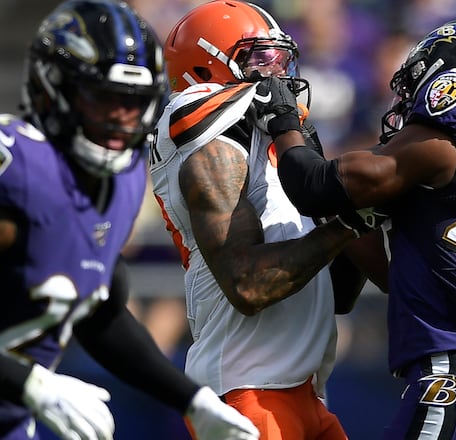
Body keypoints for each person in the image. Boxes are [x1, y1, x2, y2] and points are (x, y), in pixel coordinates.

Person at [0, 1, 259, 439]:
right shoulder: (14, 165)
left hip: (8, 419)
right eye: (104, 98)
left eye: (133, 101)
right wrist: (33, 383)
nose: (121, 117)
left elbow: (100, 313)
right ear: (55, 88)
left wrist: (190, 399)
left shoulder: (121, 181)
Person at [258, 19, 456, 439]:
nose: (405, 101)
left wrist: (286, 121)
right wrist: (349, 216)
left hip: (455, 374)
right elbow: (398, 275)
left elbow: (315, 189)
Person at [149, 1, 372, 438]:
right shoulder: (203, 139)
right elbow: (250, 286)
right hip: (246, 390)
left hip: (306, 391)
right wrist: (348, 224)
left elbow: (337, 294)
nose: (278, 74)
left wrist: (362, 214)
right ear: (206, 67)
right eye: (259, 59)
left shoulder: (278, 142)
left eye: (281, 58)